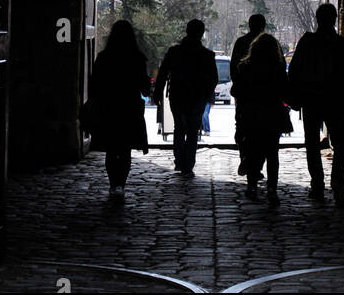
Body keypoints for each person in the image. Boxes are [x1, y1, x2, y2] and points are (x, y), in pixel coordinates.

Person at [287, 3, 344, 206]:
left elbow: (294, 71)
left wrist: (294, 98)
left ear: (317, 19)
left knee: (311, 143)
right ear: (334, 19)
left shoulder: (307, 42)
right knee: (340, 145)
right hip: (334, 100)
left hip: (311, 100)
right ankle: (337, 185)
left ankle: (317, 183)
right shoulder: (341, 44)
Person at [83, 19, 151, 198]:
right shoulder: (137, 58)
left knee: (112, 148)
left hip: (109, 108)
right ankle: (121, 183)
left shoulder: (104, 57)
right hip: (129, 108)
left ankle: (114, 183)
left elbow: (94, 84)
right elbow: (144, 86)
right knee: (125, 148)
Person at [152, 20, 218, 176]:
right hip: (197, 97)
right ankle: (188, 165)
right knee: (193, 130)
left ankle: (180, 161)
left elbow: (162, 74)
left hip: (178, 96)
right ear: (201, 34)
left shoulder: (174, 52)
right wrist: (206, 94)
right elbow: (213, 78)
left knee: (179, 128)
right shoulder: (207, 55)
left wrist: (157, 92)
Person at [231, 31, 290, 204]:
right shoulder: (277, 68)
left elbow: (236, 91)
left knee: (253, 151)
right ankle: (272, 188)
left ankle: (252, 186)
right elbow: (284, 90)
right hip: (272, 114)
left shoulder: (245, 66)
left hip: (251, 114)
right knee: (272, 153)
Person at [230, 13, 271, 173]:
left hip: (244, 94)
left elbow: (234, 67)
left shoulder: (241, 43)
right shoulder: (269, 43)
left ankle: (245, 157)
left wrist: (239, 85)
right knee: (262, 129)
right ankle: (257, 165)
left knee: (243, 126)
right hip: (264, 95)